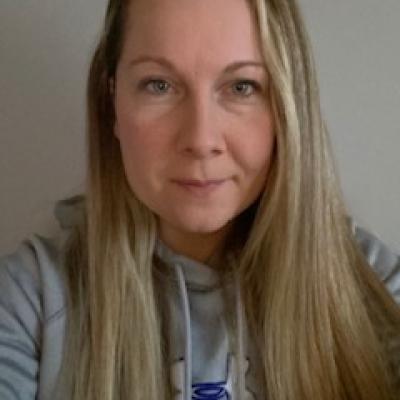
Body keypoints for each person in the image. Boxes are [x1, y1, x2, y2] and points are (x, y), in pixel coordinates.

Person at [0, 0, 399, 399]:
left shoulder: (368, 284)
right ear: (112, 105)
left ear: (288, 107)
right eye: (159, 85)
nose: (201, 139)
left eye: (242, 87)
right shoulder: (30, 301)